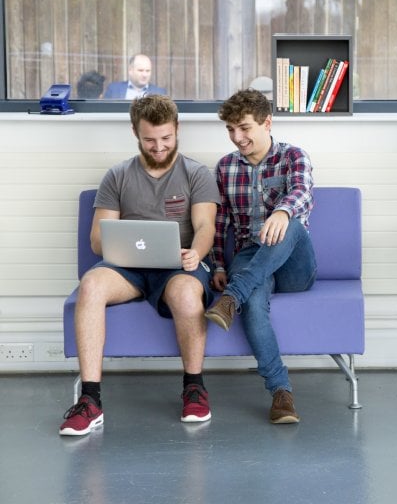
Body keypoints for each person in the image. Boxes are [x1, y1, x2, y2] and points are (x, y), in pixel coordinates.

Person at [59, 94, 220, 436]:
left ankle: (194, 387)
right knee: (91, 284)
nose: (159, 147)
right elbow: (97, 241)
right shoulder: (117, 176)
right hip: (127, 269)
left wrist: (195, 252)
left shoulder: (196, 174)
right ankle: (90, 400)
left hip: (179, 266)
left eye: (166, 138)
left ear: (177, 129)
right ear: (135, 132)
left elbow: (206, 226)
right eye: (149, 140)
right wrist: (122, 246)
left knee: (187, 294)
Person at [204, 88, 316, 424]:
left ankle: (231, 297)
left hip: (295, 259)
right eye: (230, 130)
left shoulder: (293, 156)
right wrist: (219, 264)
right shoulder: (225, 168)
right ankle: (281, 393)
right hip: (250, 256)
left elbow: (301, 192)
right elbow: (220, 220)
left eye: (245, 128)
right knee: (254, 303)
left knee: (291, 223)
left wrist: (281, 213)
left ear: (267, 123)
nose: (237, 137)